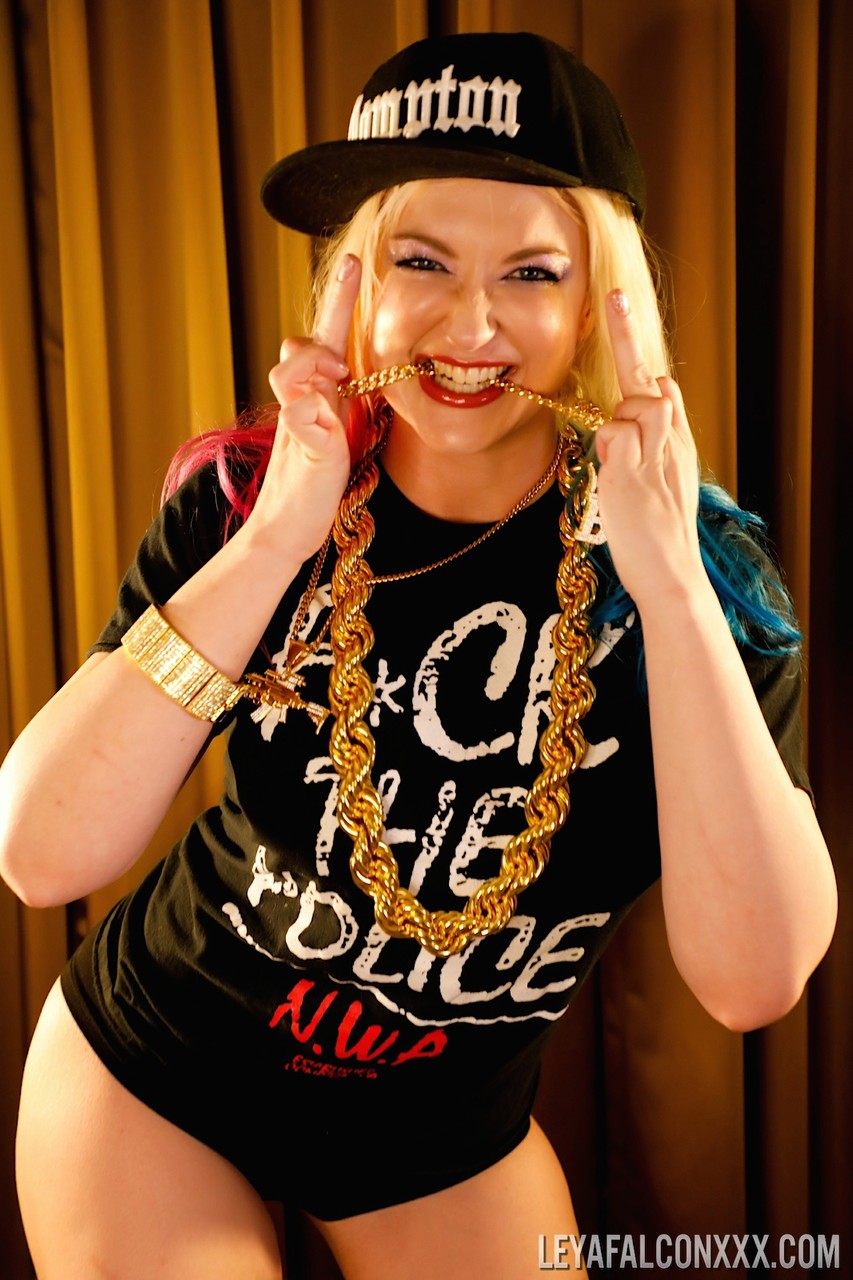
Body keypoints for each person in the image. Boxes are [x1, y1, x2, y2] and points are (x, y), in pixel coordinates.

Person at [0, 31, 837, 1280]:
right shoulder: (244, 503)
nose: (470, 323)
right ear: (358, 280)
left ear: (597, 303)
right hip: (159, 1074)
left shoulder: (703, 581)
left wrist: (668, 587)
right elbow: (38, 852)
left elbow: (753, 980)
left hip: (439, 1144)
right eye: (422, 260)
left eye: (532, 272)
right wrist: (280, 534)